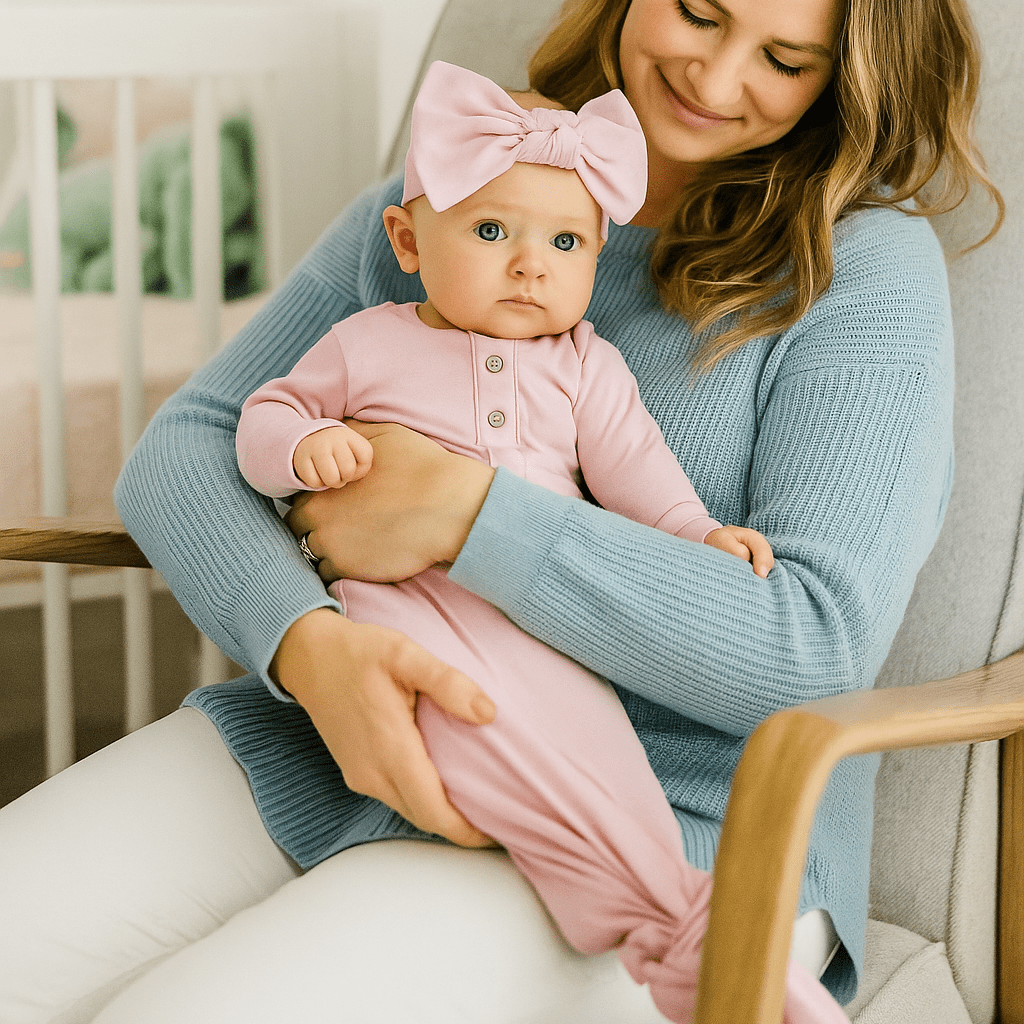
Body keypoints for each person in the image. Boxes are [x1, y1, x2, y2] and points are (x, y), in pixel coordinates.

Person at [0, 0, 1002, 1020]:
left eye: (784, 60)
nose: (715, 77)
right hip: (330, 732)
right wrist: (308, 646)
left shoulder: (858, 266)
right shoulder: (447, 187)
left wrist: (467, 515)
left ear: (841, 78)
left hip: (660, 826)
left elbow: (811, 639)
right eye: (699, 13)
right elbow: (186, 448)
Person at [234, 59, 825, 1024]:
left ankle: (684, 925)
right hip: (396, 603)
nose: (529, 265)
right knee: (473, 736)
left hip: (538, 621)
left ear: (599, 253)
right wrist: (306, 445)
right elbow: (261, 416)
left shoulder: (588, 367)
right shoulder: (369, 340)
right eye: (492, 230)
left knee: (599, 757)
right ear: (408, 238)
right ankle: (662, 926)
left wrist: (703, 539)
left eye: (564, 242)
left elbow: (646, 485)